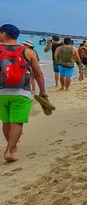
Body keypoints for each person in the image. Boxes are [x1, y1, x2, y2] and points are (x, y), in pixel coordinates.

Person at [0, 24, 48, 162]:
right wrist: (43, 91)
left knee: (6, 121)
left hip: (1, 92)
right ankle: (10, 150)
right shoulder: (28, 52)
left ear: (3, 34)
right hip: (22, 92)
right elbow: (38, 74)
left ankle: (10, 145)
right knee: (17, 122)